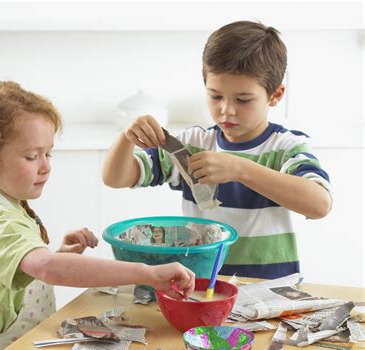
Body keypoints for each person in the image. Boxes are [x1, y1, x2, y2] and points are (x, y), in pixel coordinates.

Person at [0, 81, 195, 350]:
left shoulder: (1, 202)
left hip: (24, 349)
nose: (46, 166)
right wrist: (148, 273)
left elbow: (29, 268)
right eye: (32, 156)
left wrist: (59, 255)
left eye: (48, 153)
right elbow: (45, 268)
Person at [102, 21, 332, 279]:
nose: (226, 110)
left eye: (243, 100)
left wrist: (240, 169)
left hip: (272, 291)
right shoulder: (191, 145)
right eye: (215, 96)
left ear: (275, 95)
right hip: (200, 286)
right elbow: (115, 178)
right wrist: (127, 136)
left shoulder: (286, 148)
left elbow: (320, 204)